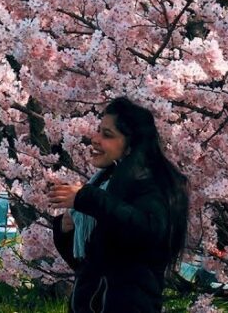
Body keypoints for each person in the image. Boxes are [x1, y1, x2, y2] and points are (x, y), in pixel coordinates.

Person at [49, 97, 189, 313]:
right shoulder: (107, 183)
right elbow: (87, 265)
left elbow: (147, 231)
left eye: (107, 135)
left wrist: (88, 199)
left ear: (130, 144)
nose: (95, 140)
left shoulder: (149, 184)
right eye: (98, 131)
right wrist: (66, 229)